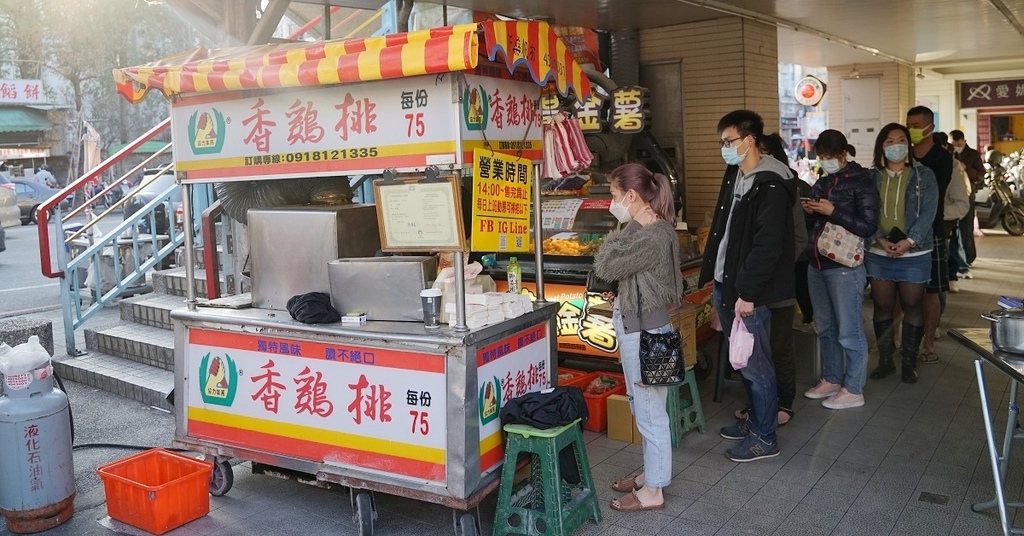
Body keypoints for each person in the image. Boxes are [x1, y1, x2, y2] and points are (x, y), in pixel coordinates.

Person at [699, 110, 795, 462]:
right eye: (722, 143)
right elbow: (724, 231)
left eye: (729, 141)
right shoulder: (736, 174)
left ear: (750, 140)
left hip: (747, 292)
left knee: (757, 365)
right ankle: (755, 421)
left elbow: (767, 246)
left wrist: (748, 294)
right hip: (728, 284)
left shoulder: (770, 184)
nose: (724, 148)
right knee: (743, 361)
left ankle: (765, 437)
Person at [593, 163, 683, 512]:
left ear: (631, 195)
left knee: (649, 413)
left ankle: (653, 491)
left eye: (614, 194)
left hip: (647, 333)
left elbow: (605, 265)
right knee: (645, 407)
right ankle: (651, 474)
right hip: (646, 328)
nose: (612, 201)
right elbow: (632, 277)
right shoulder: (654, 230)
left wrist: (628, 228)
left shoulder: (652, 234)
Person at [801, 130, 880, 409]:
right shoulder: (822, 182)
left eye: (830, 156)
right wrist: (810, 211)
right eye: (821, 157)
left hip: (845, 267)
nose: (826, 161)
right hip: (817, 263)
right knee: (825, 327)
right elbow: (814, 226)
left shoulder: (863, 183)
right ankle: (832, 379)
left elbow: (869, 227)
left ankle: (854, 388)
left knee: (849, 330)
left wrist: (833, 211)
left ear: (843, 154)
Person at [732, 133, 805, 426]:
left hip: (778, 287)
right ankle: (759, 404)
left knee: (780, 347)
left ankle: (784, 402)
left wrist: (775, 270)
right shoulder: (745, 183)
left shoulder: (781, 186)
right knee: (754, 352)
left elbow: (797, 238)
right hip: (754, 284)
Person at [866, 123, 938, 384]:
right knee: (882, 306)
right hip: (878, 252)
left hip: (915, 254)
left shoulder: (924, 174)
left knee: (912, 306)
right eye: (889, 141)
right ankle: (886, 361)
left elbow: (929, 211)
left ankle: (909, 363)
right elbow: (865, 211)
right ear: (881, 147)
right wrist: (879, 239)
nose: (895, 146)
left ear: (908, 145)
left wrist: (909, 241)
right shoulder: (871, 176)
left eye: (900, 140)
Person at [906, 106, 952, 364]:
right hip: (900, 231)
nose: (911, 130)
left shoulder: (942, 158)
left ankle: (928, 343)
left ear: (930, 127)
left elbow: (928, 195)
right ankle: (896, 340)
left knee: (930, 292)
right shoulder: (904, 152)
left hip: (931, 230)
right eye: (908, 125)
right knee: (899, 290)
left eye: (916, 125)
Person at [949, 130, 985, 276]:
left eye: (958, 145)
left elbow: (980, 175)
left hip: (967, 197)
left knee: (966, 231)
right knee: (952, 233)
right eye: (953, 145)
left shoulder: (973, 155)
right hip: (950, 199)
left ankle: (968, 259)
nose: (956, 148)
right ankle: (956, 262)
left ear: (964, 141)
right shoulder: (947, 153)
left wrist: (966, 168)